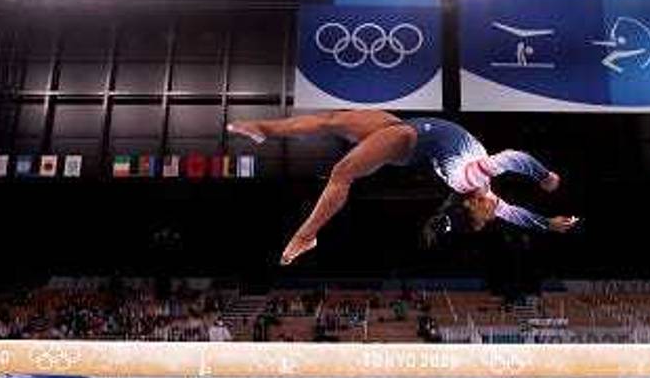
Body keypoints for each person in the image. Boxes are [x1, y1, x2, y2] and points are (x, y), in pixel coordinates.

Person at [226, 113, 578, 265]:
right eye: (490, 216)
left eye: (486, 219)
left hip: (407, 141)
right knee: (331, 121)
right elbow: (514, 201)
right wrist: (547, 220)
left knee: (342, 172)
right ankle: (264, 129)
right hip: (404, 127)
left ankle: (307, 236)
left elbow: (515, 159)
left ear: (471, 206)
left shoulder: (470, 179)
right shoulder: (481, 187)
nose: (494, 214)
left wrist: (543, 177)